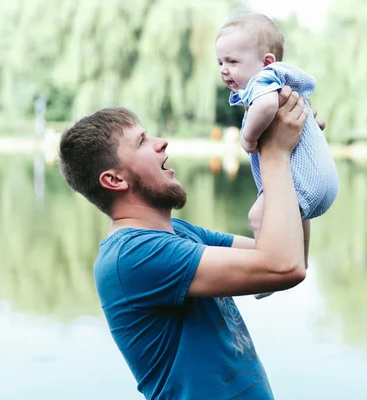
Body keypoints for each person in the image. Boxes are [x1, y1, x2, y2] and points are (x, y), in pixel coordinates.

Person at [57, 87, 318, 399]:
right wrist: (276, 154)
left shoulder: (179, 234)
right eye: (142, 142)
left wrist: (293, 157)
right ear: (115, 180)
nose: (160, 143)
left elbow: (292, 258)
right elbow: (282, 267)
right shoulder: (131, 256)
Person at [215, 14, 339, 299]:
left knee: (257, 215)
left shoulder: (264, 83)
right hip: (319, 183)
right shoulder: (281, 82)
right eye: (220, 62)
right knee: (294, 213)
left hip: (302, 182)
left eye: (232, 62)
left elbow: (267, 106)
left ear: (266, 62)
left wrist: (248, 136)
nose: (224, 70)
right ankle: (300, 259)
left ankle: (267, 268)